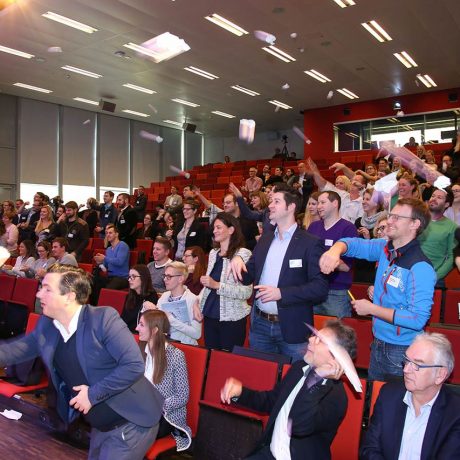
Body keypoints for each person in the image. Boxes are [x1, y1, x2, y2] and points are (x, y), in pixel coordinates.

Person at [0, 264, 164, 459]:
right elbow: (13, 350)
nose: (38, 294)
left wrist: (92, 395)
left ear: (69, 296)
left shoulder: (102, 319)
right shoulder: (48, 325)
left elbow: (134, 365)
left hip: (132, 422)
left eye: (47, 289)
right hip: (101, 425)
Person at [319, 198, 436, 381]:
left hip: (402, 350)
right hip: (378, 342)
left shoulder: (420, 267)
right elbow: (353, 244)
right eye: (390, 215)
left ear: (415, 224)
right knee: (375, 396)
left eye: (397, 217)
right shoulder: (385, 249)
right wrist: (335, 250)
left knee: (393, 398)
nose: (389, 221)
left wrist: (372, 309)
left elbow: (417, 319)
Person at [220, 320, 357, 460]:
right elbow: (272, 401)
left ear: (336, 357)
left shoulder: (336, 397)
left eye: (320, 340)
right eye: (314, 336)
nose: (310, 340)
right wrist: (240, 393)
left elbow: (299, 425)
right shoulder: (299, 368)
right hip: (270, 454)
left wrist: (316, 378)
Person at [230, 184, 328, 362]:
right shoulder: (266, 238)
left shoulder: (310, 243)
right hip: (260, 325)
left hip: (293, 327)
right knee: (261, 375)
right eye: (271, 201)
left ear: (291, 207)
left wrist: (282, 293)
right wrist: (237, 260)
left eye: (276, 201)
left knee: (293, 377)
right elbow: (248, 276)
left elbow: (320, 288)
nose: (270, 205)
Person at [361, 332, 460, 459]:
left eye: (417, 365)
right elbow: (369, 448)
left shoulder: (455, 414)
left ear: (440, 375)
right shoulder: (388, 395)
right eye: (407, 361)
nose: (406, 370)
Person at [194, 213, 252, 351]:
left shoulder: (243, 254)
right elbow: (208, 286)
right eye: (214, 228)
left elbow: (246, 292)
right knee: (211, 356)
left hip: (232, 319)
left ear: (231, 230)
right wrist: (197, 302)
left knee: (228, 359)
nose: (214, 231)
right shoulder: (213, 253)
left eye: (219, 227)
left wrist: (216, 285)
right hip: (210, 314)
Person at [136, 310, 192, 451]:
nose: (136, 328)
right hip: (141, 410)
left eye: (141, 325)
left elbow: (182, 396)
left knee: (128, 429)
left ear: (154, 330)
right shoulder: (139, 349)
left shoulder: (175, 356)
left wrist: (157, 405)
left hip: (165, 416)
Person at [308, 191, 358, 318]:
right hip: (314, 288)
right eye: (318, 203)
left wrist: (323, 260)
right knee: (312, 328)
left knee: (336, 329)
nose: (319, 206)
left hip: (337, 292)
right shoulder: (313, 227)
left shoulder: (348, 228)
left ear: (335, 203)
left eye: (323, 202)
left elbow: (346, 266)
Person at [151, 261, 201, 345]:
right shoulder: (164, 296)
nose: (164, 279)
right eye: (164, 276)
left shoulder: (192, 299)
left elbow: (197, 334)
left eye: (169, 276)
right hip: (165, 344)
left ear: (180, 279)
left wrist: (171, 320)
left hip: (184, 346)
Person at [419, 188, 457, 284]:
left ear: (447, 204)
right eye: (433, 196)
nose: (434, 199)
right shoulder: (416, 218)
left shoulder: (452, 227)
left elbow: (452, 256)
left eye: (439, 197)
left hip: (430, 275)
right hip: (406, 269)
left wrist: (436, 276)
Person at [93, 224, 130, 297]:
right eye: (106, 233)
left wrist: (104, 258)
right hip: (110, 277)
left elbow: (119, 262)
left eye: (110, 233)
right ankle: (96, 304)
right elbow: (105, 268)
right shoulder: (108, 249)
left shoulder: (122, 245)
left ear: (116, 234)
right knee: (95, 283)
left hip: (122, 278)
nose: (108, 235)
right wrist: (100, 263)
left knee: (108, 289)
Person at [121, 264, 159, 333]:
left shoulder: (151, 297)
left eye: (133, 277)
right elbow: (123, 319)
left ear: (143, 278)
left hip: (138, 333)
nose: (129, 280)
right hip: (126, 332)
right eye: (129, 277)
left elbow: (147, 324)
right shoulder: (130, 296)